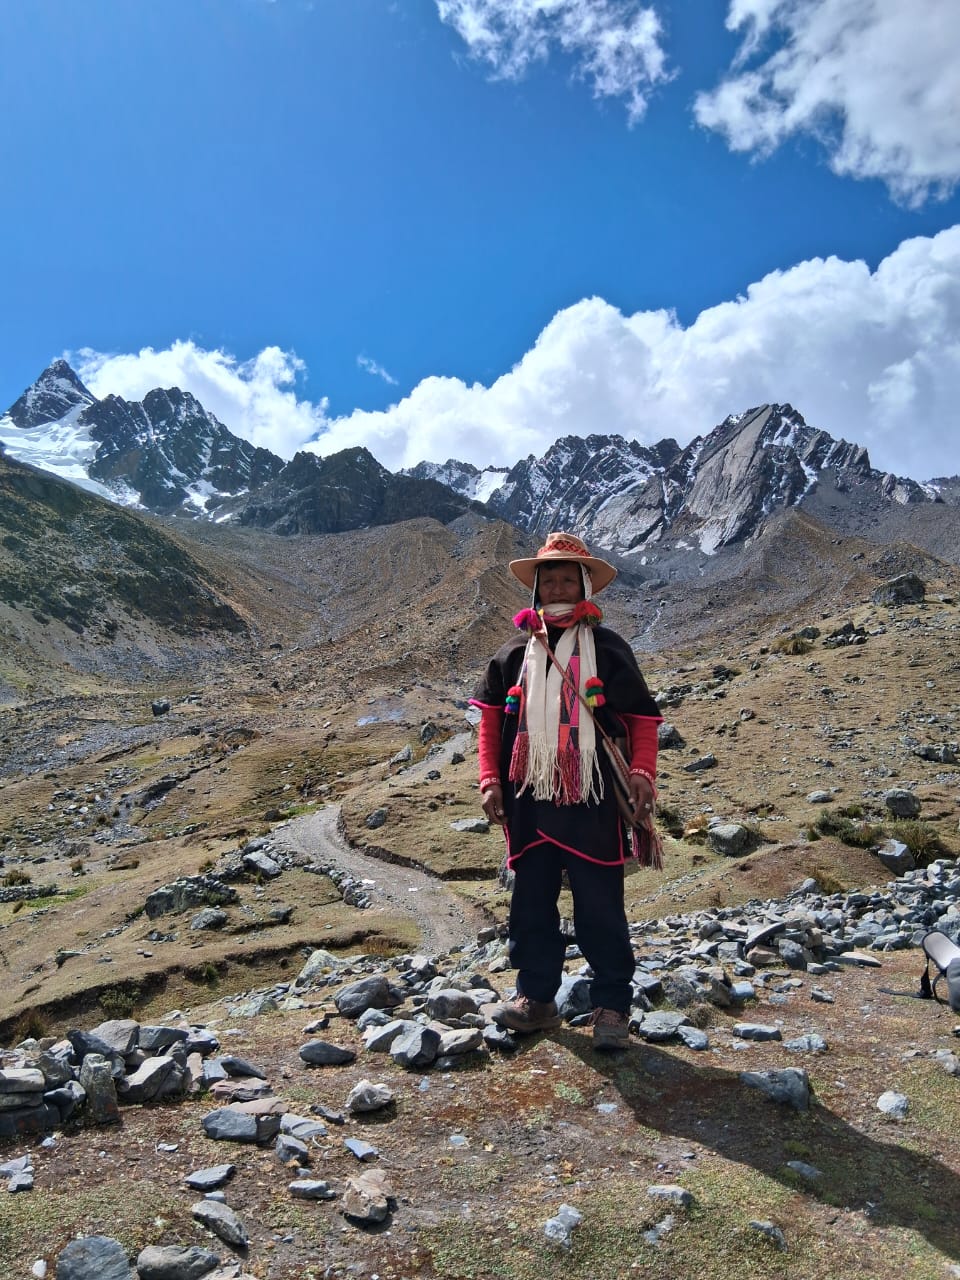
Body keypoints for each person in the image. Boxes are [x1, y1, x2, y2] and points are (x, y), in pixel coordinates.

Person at [470, 532, 662, 1050]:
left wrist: (643, 772)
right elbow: (490, 723)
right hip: (528, 796)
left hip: (592, 797)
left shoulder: (609, 649)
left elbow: (642, 719)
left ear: (584, 587)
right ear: (536, 588)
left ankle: (611, 1006)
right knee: (531, 902)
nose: (556, 587)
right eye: (547, 579)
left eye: (565, 579)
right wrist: (490, 779)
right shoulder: (513, 653)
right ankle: (536, 1000)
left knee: (600, 903)